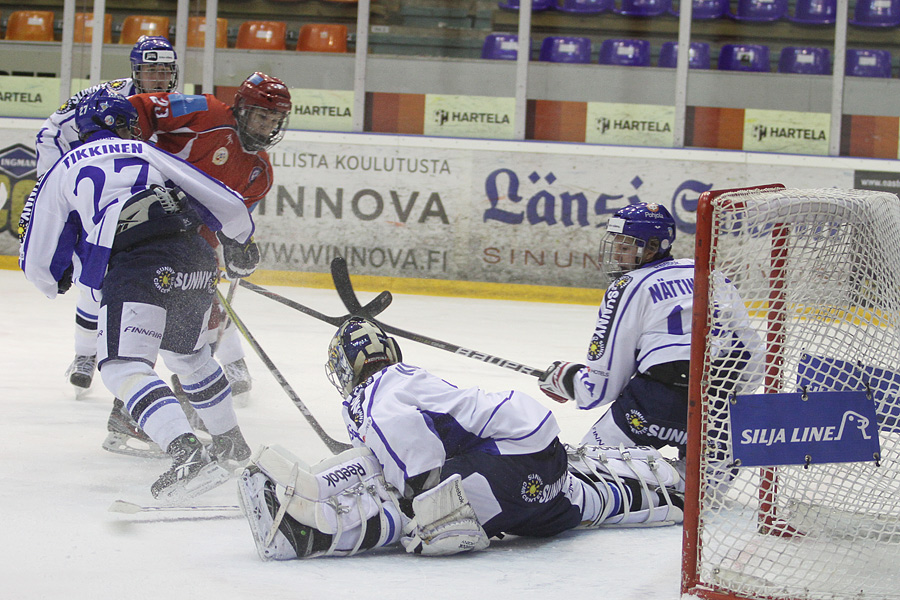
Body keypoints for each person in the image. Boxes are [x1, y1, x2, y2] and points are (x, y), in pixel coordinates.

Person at [235, 317, 684, 560]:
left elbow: (423, 478)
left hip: (503, 470)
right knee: (583, 500)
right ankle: (674, 493)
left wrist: (368, 490)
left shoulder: (374, 396)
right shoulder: (407, 378)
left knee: (411, 506)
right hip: (542, 456)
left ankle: (304, 530)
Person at [19, 88, 259, 502]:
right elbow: (224, 201)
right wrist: (240, 240)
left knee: (121, 367)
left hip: (139, 263)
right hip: (195, 258)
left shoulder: (62, 167)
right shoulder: (150, 154)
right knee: (190, 356)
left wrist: (49, 279)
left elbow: (37, 249)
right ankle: (232, 445)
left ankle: (188, 455)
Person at [537, 202, 762, 462]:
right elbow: (751, 351)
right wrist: (730, 402)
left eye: (625, 247)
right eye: (615, 246)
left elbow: (601, 388)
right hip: (719, 410)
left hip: (653, 406)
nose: (617, 255)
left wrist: (568, 380)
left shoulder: (630, 285)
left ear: (653, 247)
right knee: (704, 500)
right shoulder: (712, 275)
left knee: (589, 476)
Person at [127, 71, 293, 400]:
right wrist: (131, 155)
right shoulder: (205, 112)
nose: (267, 127)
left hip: (188, 248)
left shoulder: (259, 171)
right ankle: (137, 404)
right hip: (144, 228)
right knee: (145, 321)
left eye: (274, 120)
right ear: (243, 109)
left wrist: (239, 249)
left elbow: (226, 225)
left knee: (197, 322)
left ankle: (178, 399)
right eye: (262, 116)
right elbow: (139, 108)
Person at [34, 36, 180, 398]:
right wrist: (58, 180)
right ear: (135, 71)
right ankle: (85, 355)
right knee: (94, 276)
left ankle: (221, 356)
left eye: (165, 70)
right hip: (98, 194)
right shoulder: (108, 96)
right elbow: (52, 131)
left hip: (146, 198)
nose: (158, 78)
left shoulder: (180, 107)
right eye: (150, 70)